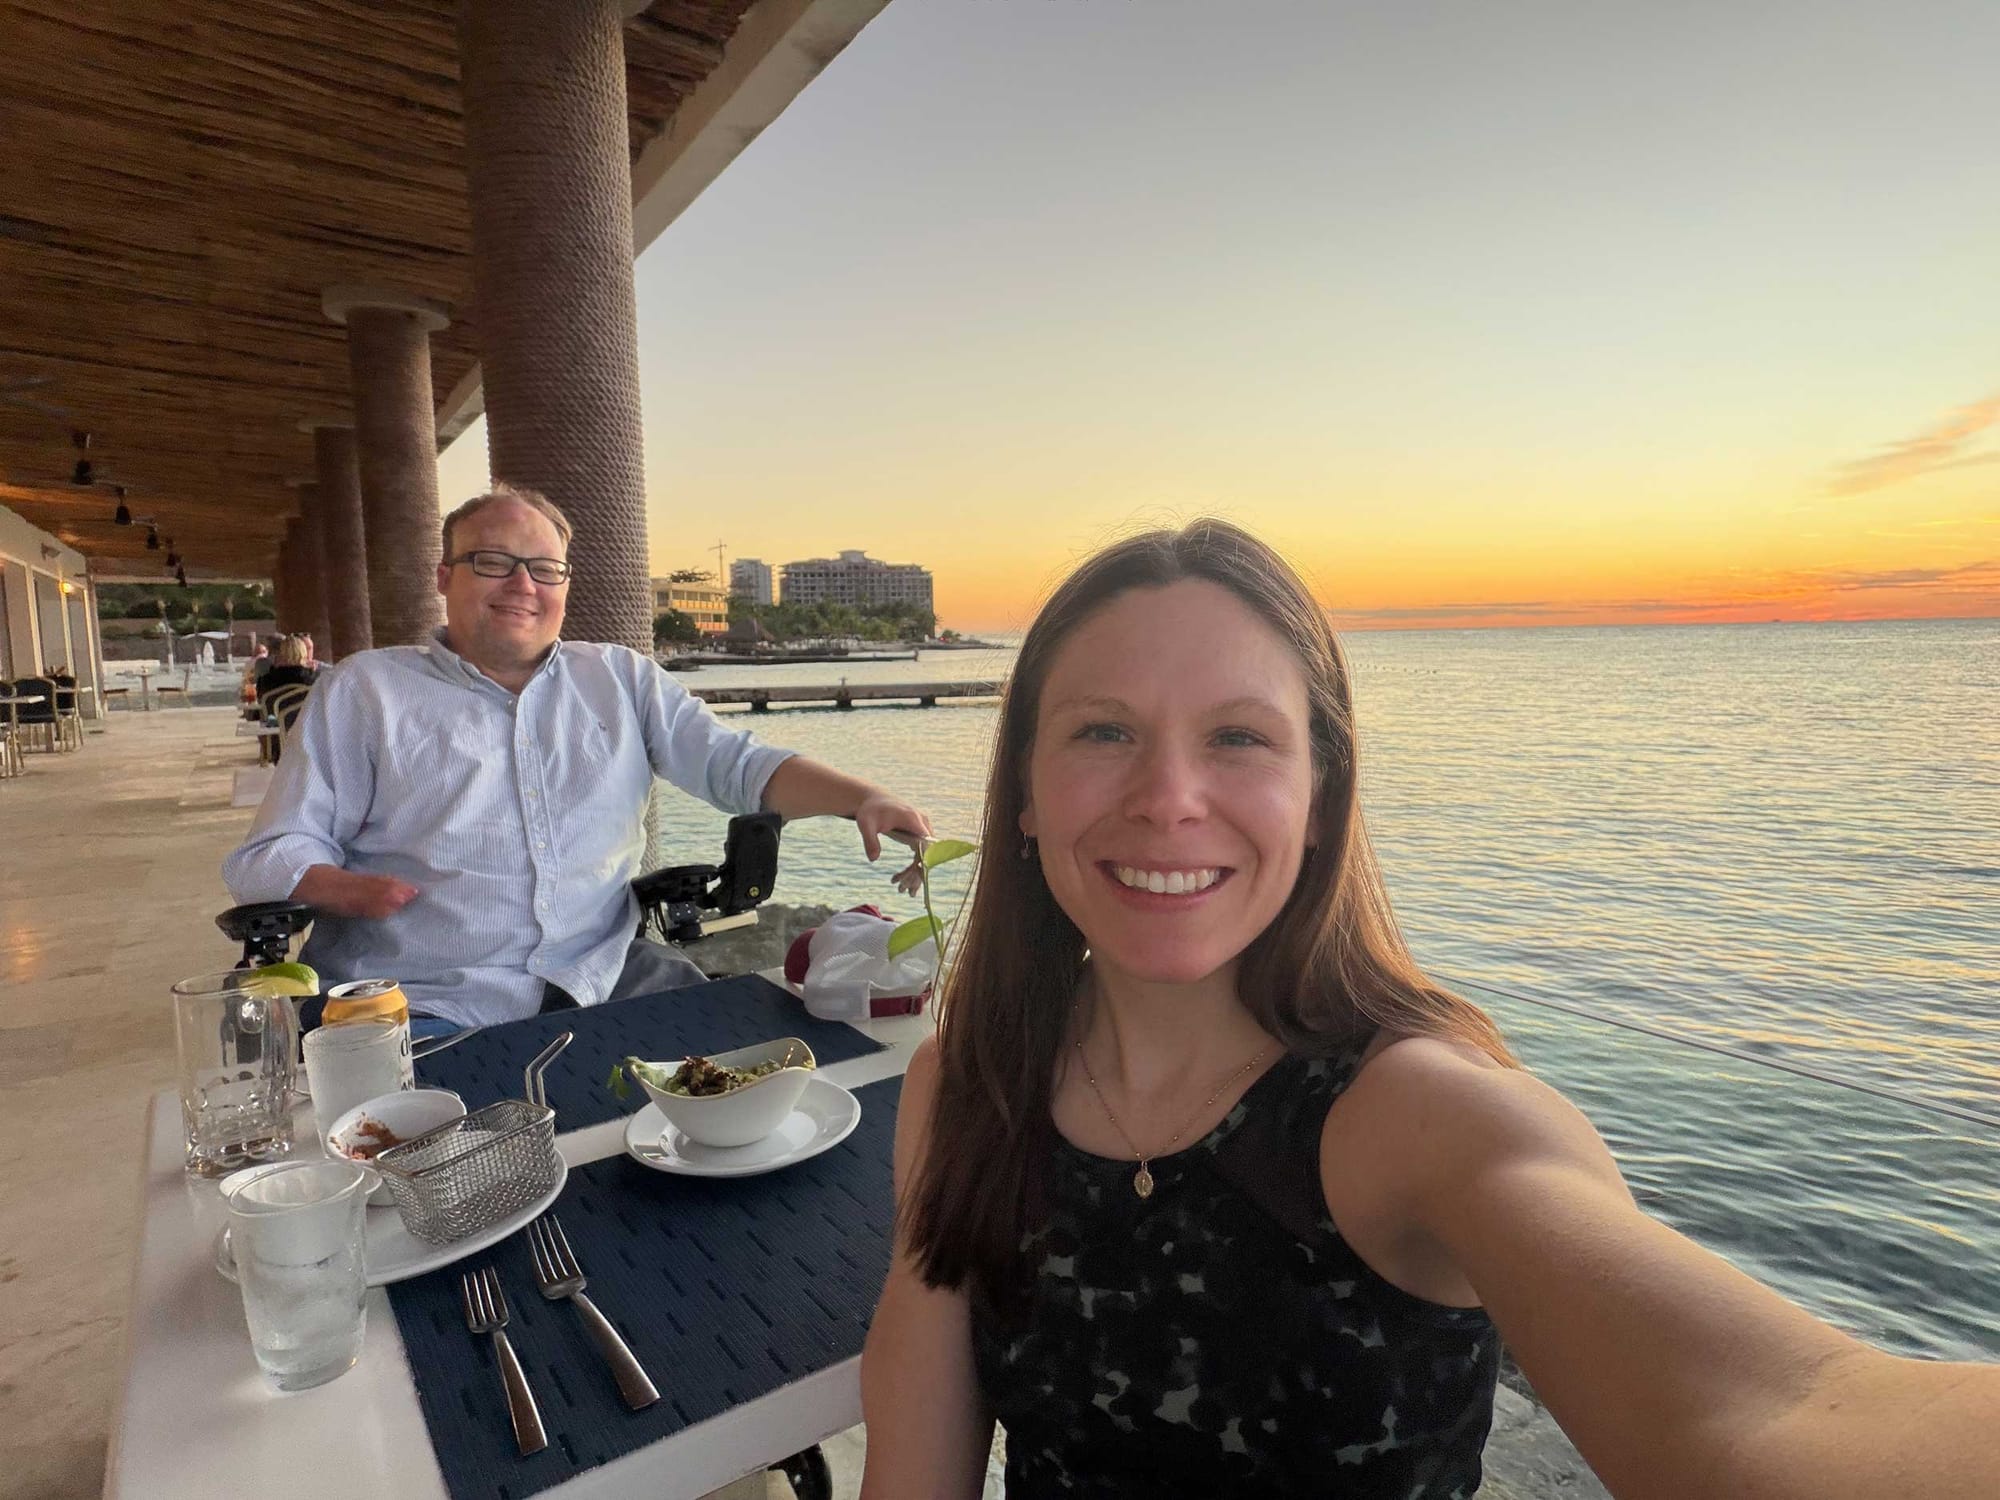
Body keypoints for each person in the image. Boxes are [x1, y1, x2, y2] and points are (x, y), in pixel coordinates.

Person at [858, 520, 1998, 1499]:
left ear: (1317, 801)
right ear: (1019, 792)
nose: (1168, 799)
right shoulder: (965, 1093)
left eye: (1238, 738)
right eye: (1103, 731)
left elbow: (1771, 1417)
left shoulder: (1413, 1116)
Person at [223, 484, 933, 1032]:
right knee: (458, 1173)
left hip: (605, 971)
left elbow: (737, 765)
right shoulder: (367, 691)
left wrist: (859, 798)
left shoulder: (620, 679)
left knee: (758, 1076)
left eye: (544, 568)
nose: (522, 585)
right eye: (493, 562)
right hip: (423, 994)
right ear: (444, 576)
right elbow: (268, 854)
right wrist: (347, 889)